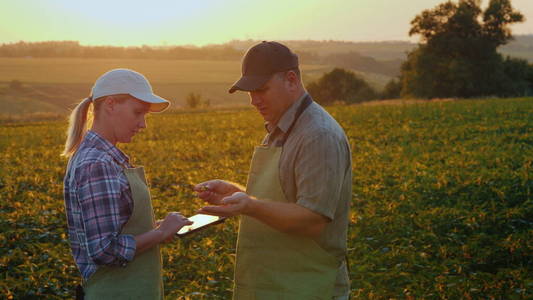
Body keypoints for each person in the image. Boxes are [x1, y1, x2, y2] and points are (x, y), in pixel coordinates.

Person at [195, 41, 352, 300]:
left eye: (261, 90)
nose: (254, 100)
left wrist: (249, 206)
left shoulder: (317, 135)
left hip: (309, 287)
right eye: (249, 91)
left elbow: (311, 219)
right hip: (278, 285)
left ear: (291, 80)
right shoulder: (281, 127)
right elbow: (286, 200)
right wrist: (236, 195)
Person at [62, 69, 192, 299]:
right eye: (138, 112)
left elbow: (117, 231)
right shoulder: (97, 163)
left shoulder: (98, 157)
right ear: (111, 104)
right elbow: (105, 250)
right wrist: (160, 233)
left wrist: (159, 229)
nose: (143, 124)